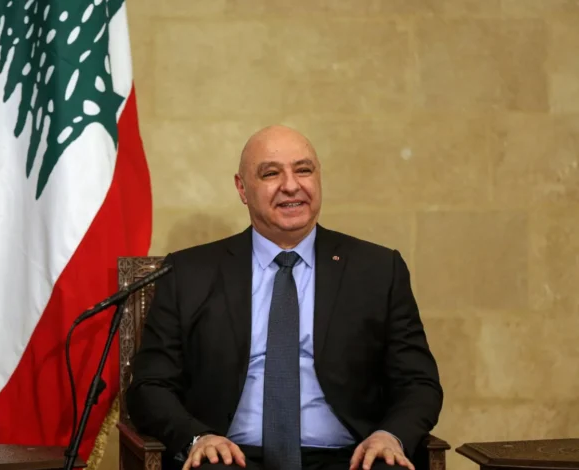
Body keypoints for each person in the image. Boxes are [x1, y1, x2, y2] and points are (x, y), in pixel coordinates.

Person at [126, 125, 443, 470]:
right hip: (230, 457)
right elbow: (149, 386)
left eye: (303, 170)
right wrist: (197, 437)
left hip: (351, 458)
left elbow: (419, 382)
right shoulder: (189, 273)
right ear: (242, 189)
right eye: (271, 173)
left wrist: (390, 435)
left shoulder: (377, 269)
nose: (291, 185)